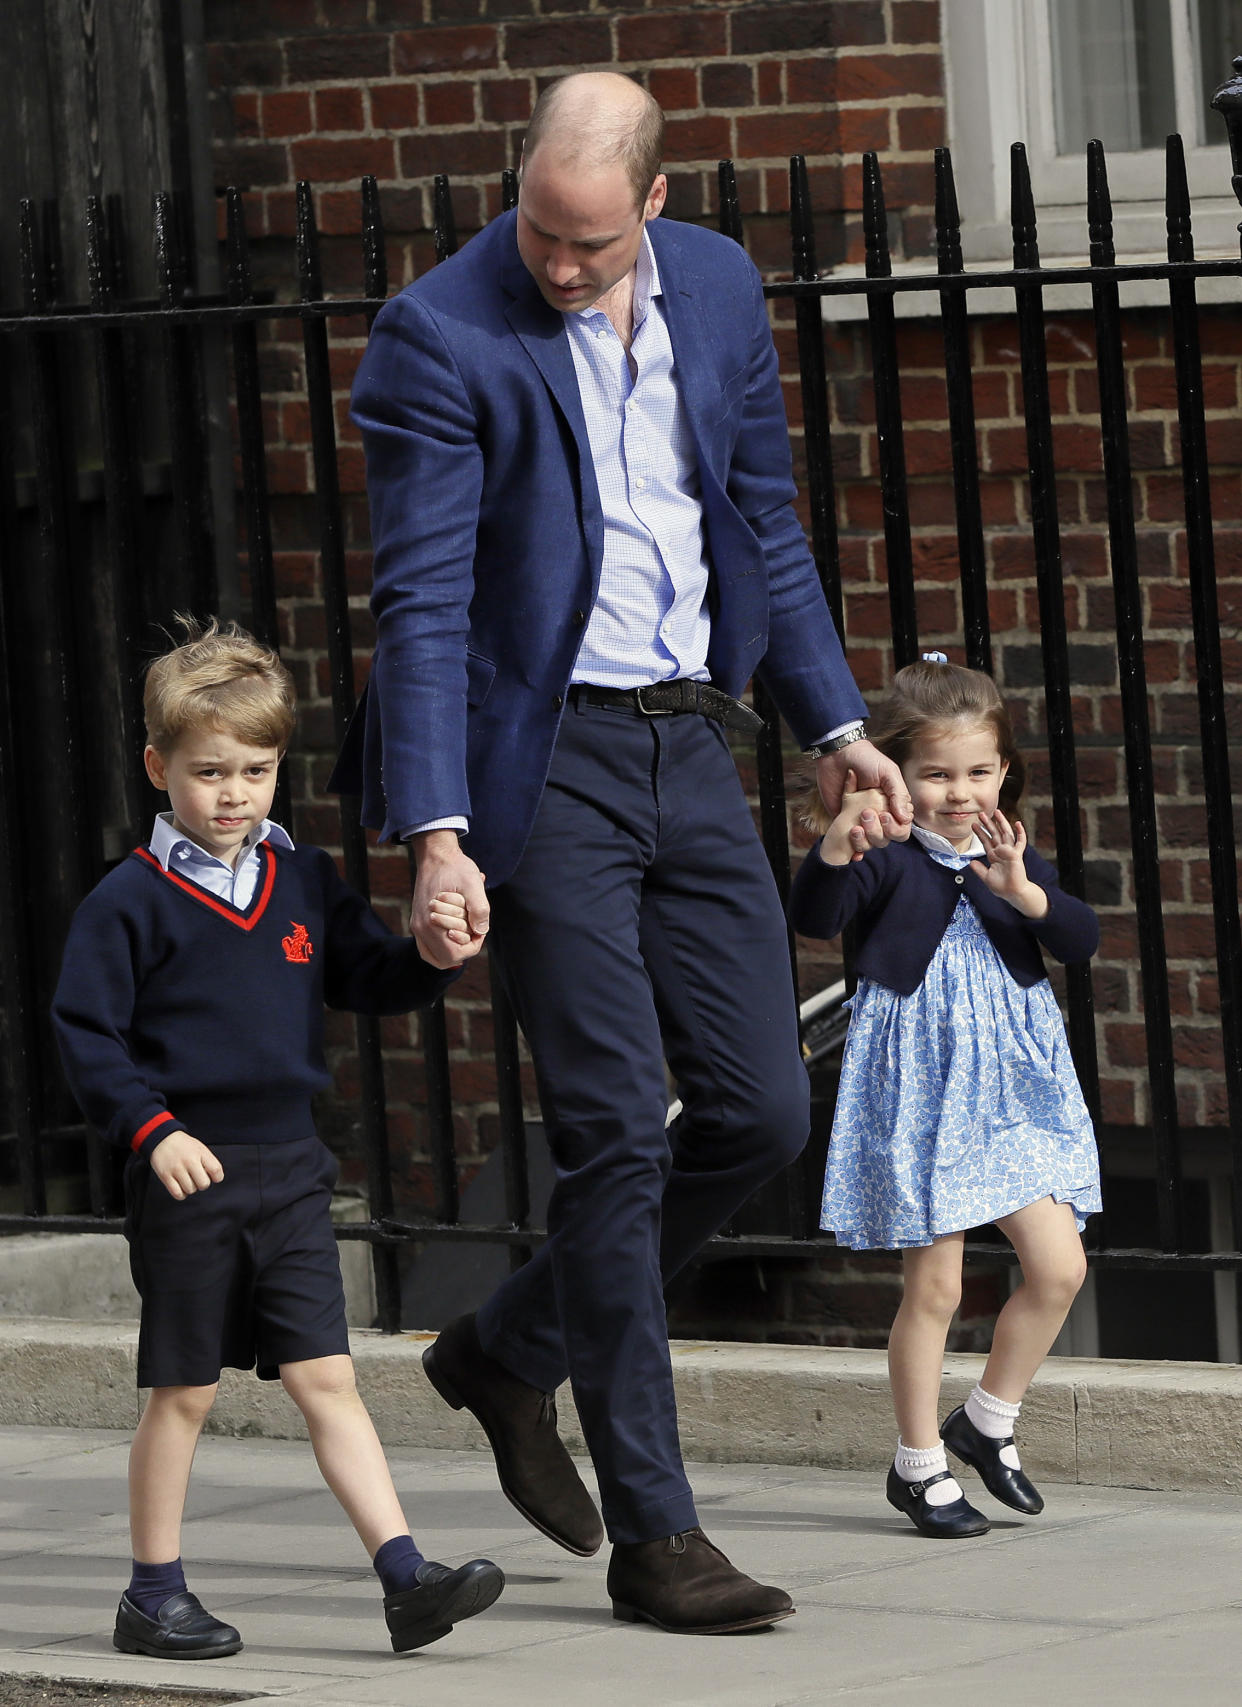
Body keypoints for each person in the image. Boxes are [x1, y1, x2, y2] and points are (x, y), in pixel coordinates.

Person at [335, 70, 909, 1632]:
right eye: (539, 228)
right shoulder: (442, 332)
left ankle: (505, 1347)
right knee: (615, 1135)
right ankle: (659, 1533)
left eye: (590, 242)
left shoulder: (717, 285)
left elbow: (763, 518)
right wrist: (440, 834)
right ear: (519, 186)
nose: (560, 265)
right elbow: (429, 602)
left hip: (690, 739)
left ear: (654, 202)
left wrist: (837, 722)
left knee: (760, 1104)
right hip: (545, 765)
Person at [51, 619, 505, 1659]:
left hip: (293, 1173)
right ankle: (151, 1593)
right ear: (159, 767)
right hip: (188, 1174)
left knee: (326, 1379)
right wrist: (150, 1129)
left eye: (255, 770)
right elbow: (86, 1035)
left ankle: (405, 1576)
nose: (234, 793)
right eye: (209, 771)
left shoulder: (303, 882)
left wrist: (432, 955)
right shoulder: (127, 902)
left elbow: (369, 979)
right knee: (186, 1391)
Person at [789, 653, 1102, 1539]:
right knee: (935, 1287)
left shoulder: (1007, 849)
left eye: (977, 770)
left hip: (1012, 1089)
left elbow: (1080, 937)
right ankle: (920, 1463)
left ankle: (989, 1420)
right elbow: (814, 914)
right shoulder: (886, 856)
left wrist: (1026, 892)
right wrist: (837, 840)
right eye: (936, 773)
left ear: (1004, 769)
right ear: (899, 771)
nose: (959, 792)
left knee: (1059, 1265)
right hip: (922, 1091)